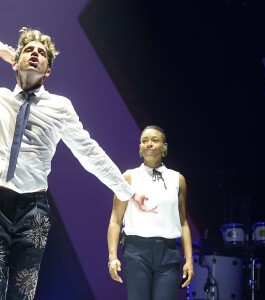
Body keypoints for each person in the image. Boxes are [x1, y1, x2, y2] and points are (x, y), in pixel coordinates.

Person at [0, 27, 156, 300]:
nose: (35, 54)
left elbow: (89, 152)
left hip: (33, 210)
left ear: (48, 70)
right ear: (15, 60)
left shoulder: (60, 107)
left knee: (22, 294)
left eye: (42, 53)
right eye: (28, 50)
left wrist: (126, 192)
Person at [107, 125, 194, 300]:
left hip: (168, 253)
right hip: (137, 252)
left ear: (165, 146)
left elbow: (183, 222)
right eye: (144, 141)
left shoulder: (177, 179)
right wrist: (112, 257)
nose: (149, 144)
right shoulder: (129, 177)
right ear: (140, 148)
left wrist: (189, 259)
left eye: (155, 140)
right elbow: (115, 220)